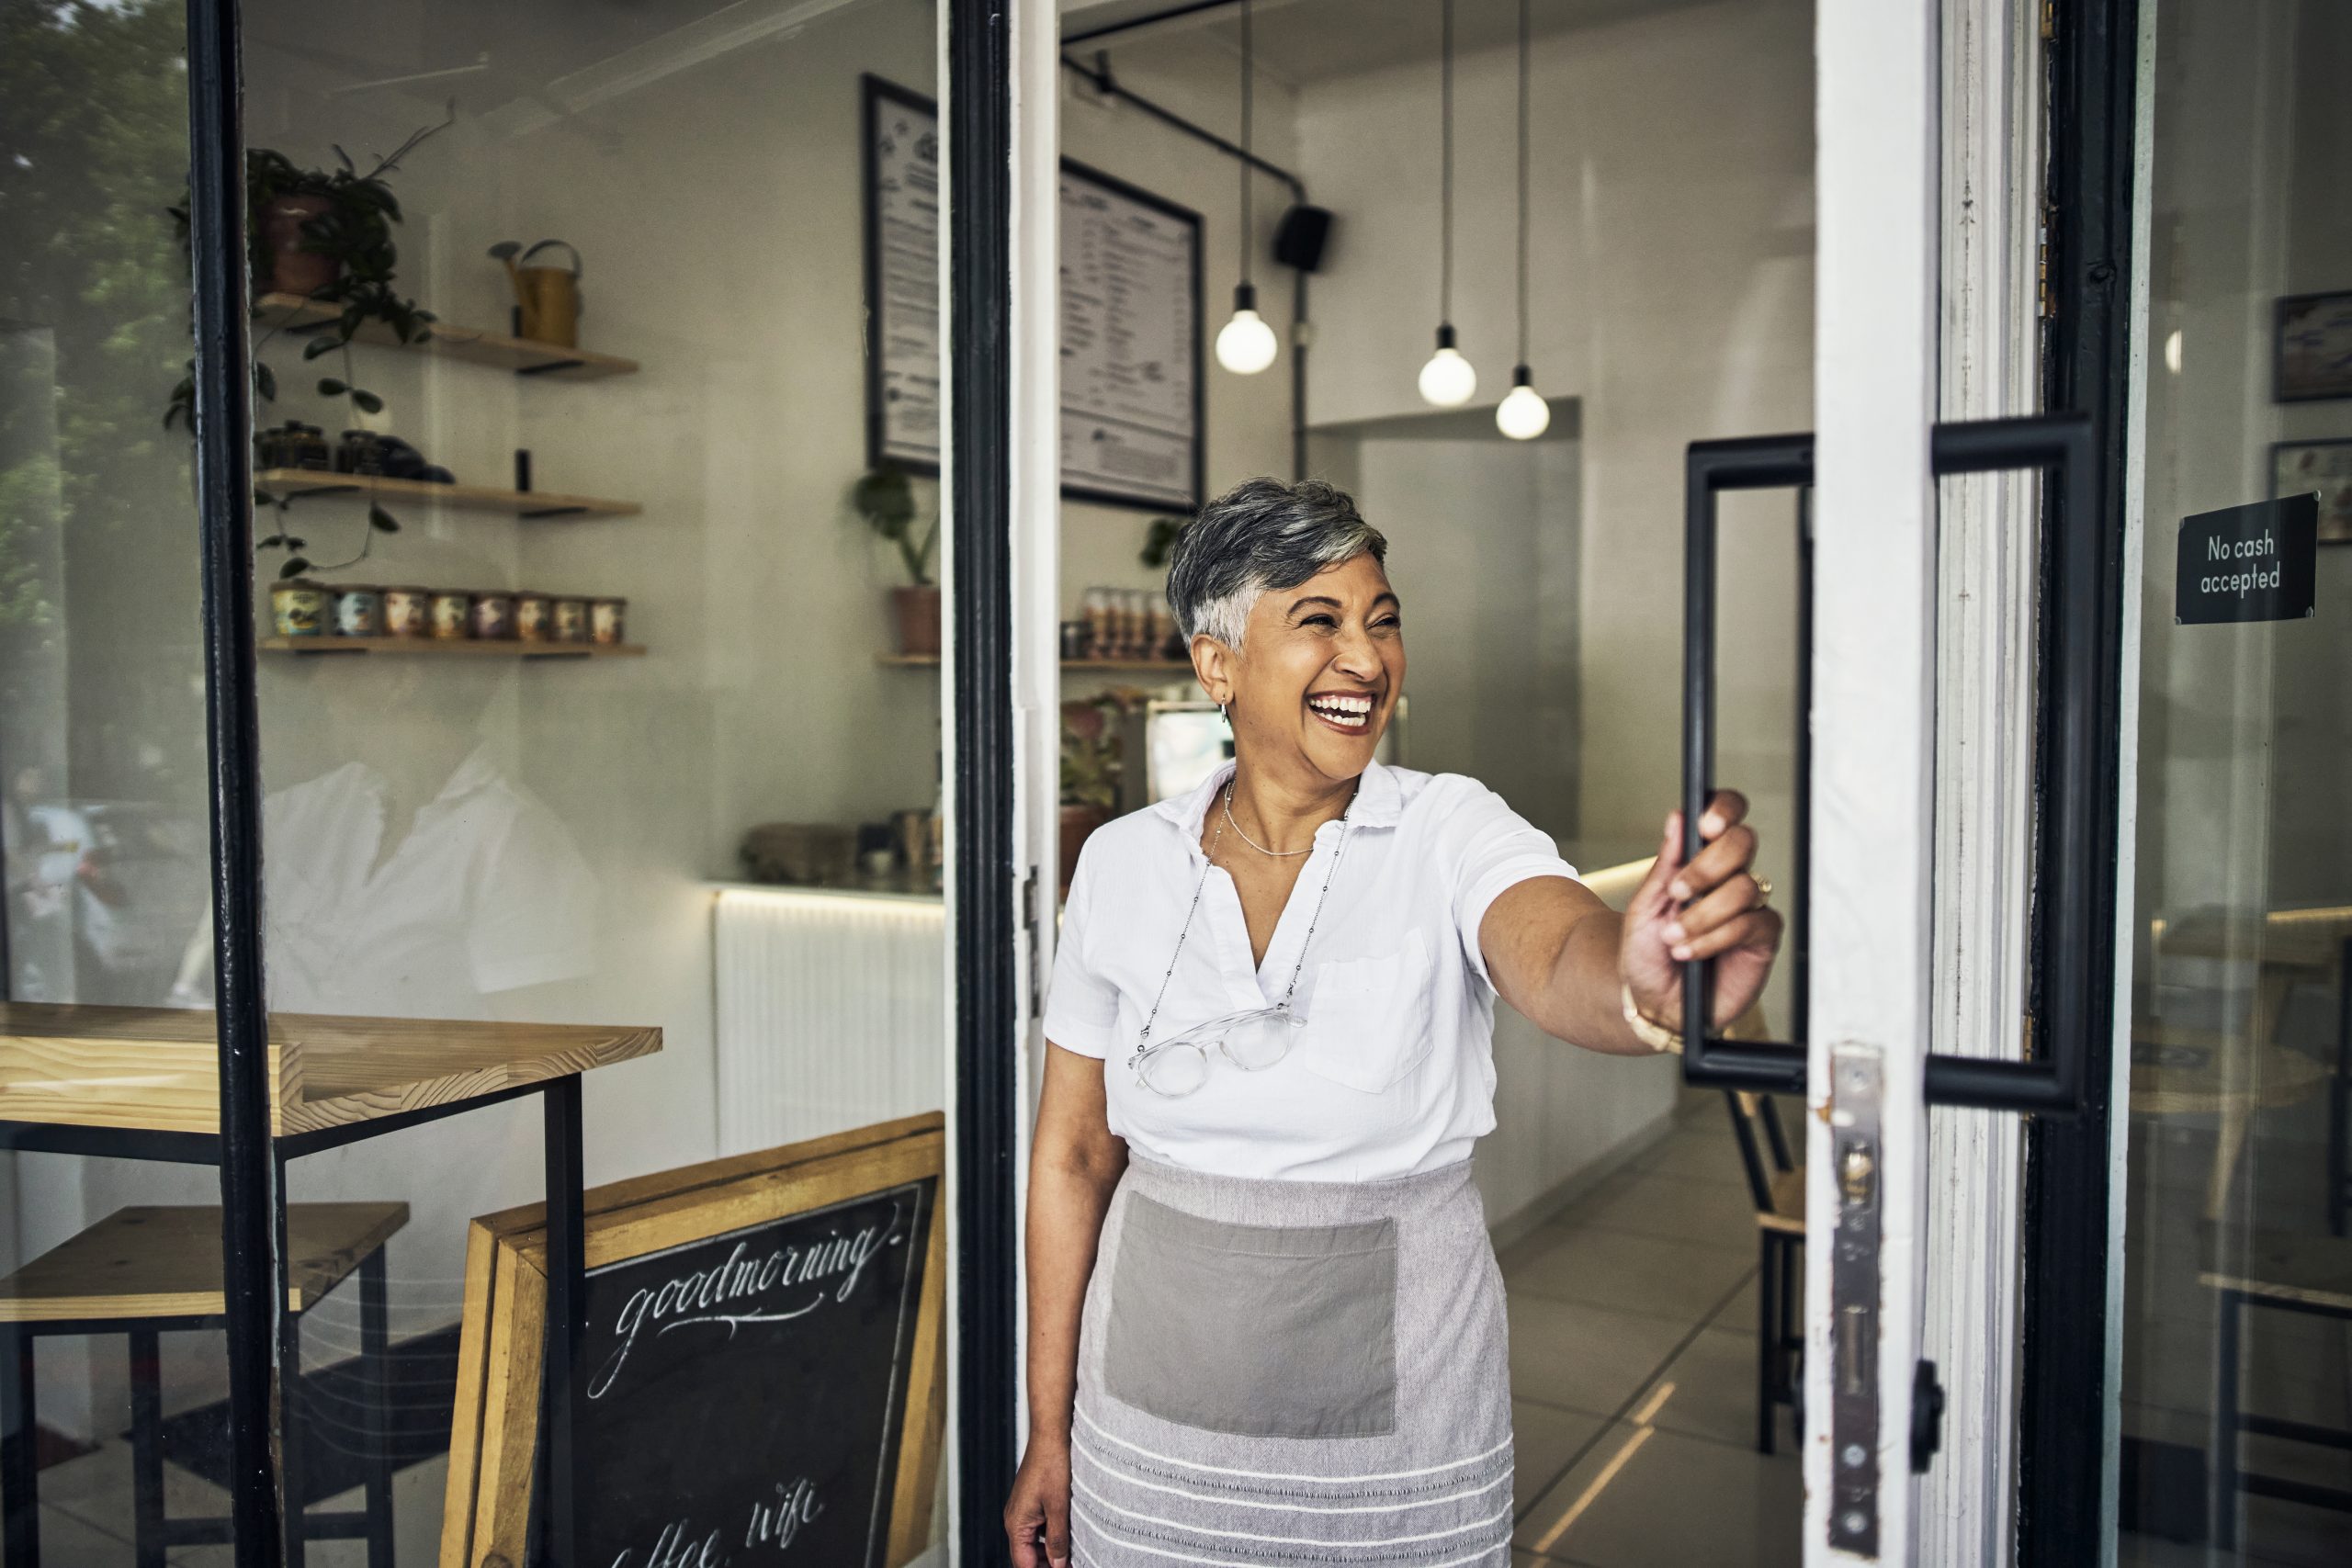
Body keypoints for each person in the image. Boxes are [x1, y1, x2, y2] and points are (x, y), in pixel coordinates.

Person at [1004, 478, 1781, 1568]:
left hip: (1395, 1422)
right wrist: (1049, 1430)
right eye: (1318, 621)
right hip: (1146, 1410)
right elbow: (1074, 1153)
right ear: (1215, 662)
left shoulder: (1448, 826)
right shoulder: (1123, 863)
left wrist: (1644, 983)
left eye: (1382, 621)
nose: (1366, 661)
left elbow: (1557, 950)